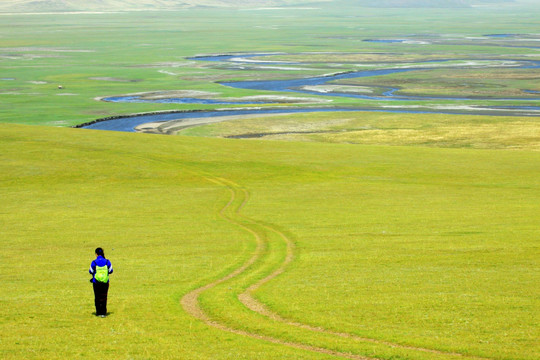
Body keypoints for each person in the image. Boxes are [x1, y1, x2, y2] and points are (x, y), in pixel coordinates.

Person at [89, 247, 113, 317]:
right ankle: (103, 312)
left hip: (96, 282)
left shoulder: (94, 262)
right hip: (105, 282)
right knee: (104, 297)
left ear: (96, 254)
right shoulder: (107, 262)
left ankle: (98, 312)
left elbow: (91, 271)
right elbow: (111, 271)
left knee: (97, 297)